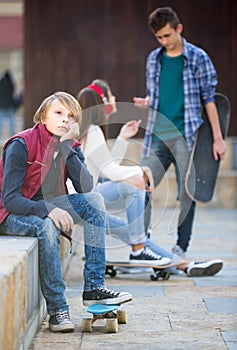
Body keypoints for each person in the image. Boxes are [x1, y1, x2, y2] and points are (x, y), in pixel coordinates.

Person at [0, 91, 132, 333]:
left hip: (43, 207)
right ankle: (57, 310)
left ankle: (94, 287)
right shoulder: (21, 144)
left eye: (71, 116)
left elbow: (86, 188)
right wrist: (47, 209)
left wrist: (67, 147)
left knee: (94, 201)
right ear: (42, 117)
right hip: (10, 214)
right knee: (46, 226)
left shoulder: (70, 145)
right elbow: (9, 200)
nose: (65, 120)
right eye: (58, 113)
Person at [77, 79, 223, 277]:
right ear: (103, 101)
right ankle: (139, 251)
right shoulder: (92, 130)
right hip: (82, 200)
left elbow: (104, 167)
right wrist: (140, 173)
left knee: (133, 234)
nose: (115, 99)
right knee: (133, 187)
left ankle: (183, 266)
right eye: (111, 96)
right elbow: (110, 171)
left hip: (85, 200)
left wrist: (122, 138)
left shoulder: (88, 130)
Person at [134, 7, 226, 258]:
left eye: (167, 35)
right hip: (157, 136)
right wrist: (147, 101)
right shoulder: (154, 59)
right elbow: (158, 94)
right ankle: (141, 245)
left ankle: (181, 247)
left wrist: (218, 139)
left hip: (187, 137)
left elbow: (209, 100)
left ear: (179, 29)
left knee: (187, 193)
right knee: (141, 185)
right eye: (159, 38)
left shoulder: (198, 57)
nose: (164, 41)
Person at [0, 70, 20, 137]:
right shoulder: (11, 83)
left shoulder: (1, 83)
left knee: (1, 120)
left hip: (2, 105)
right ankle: (12, 132)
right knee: (11, 120)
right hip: (10, 104)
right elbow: (13, 92)